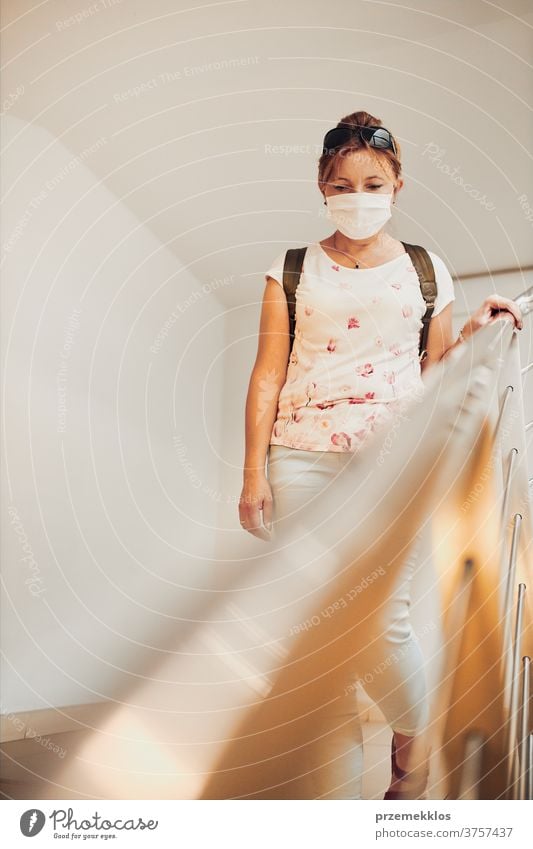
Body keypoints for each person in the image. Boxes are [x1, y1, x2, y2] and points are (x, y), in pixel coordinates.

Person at [239, 110, 523, 799]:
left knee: (381, 617)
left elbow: (434, 371)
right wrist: (251, 472)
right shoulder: (290, 269)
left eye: (371, 181)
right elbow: (268, 373)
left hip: (394, 460)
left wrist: (478, 329)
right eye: (341, 183)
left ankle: (410, 750)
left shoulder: (427, 271)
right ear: (320, 185)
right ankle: (330, 796)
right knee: (316, 617)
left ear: (397, 183)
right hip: (299, 455)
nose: (356, 195)